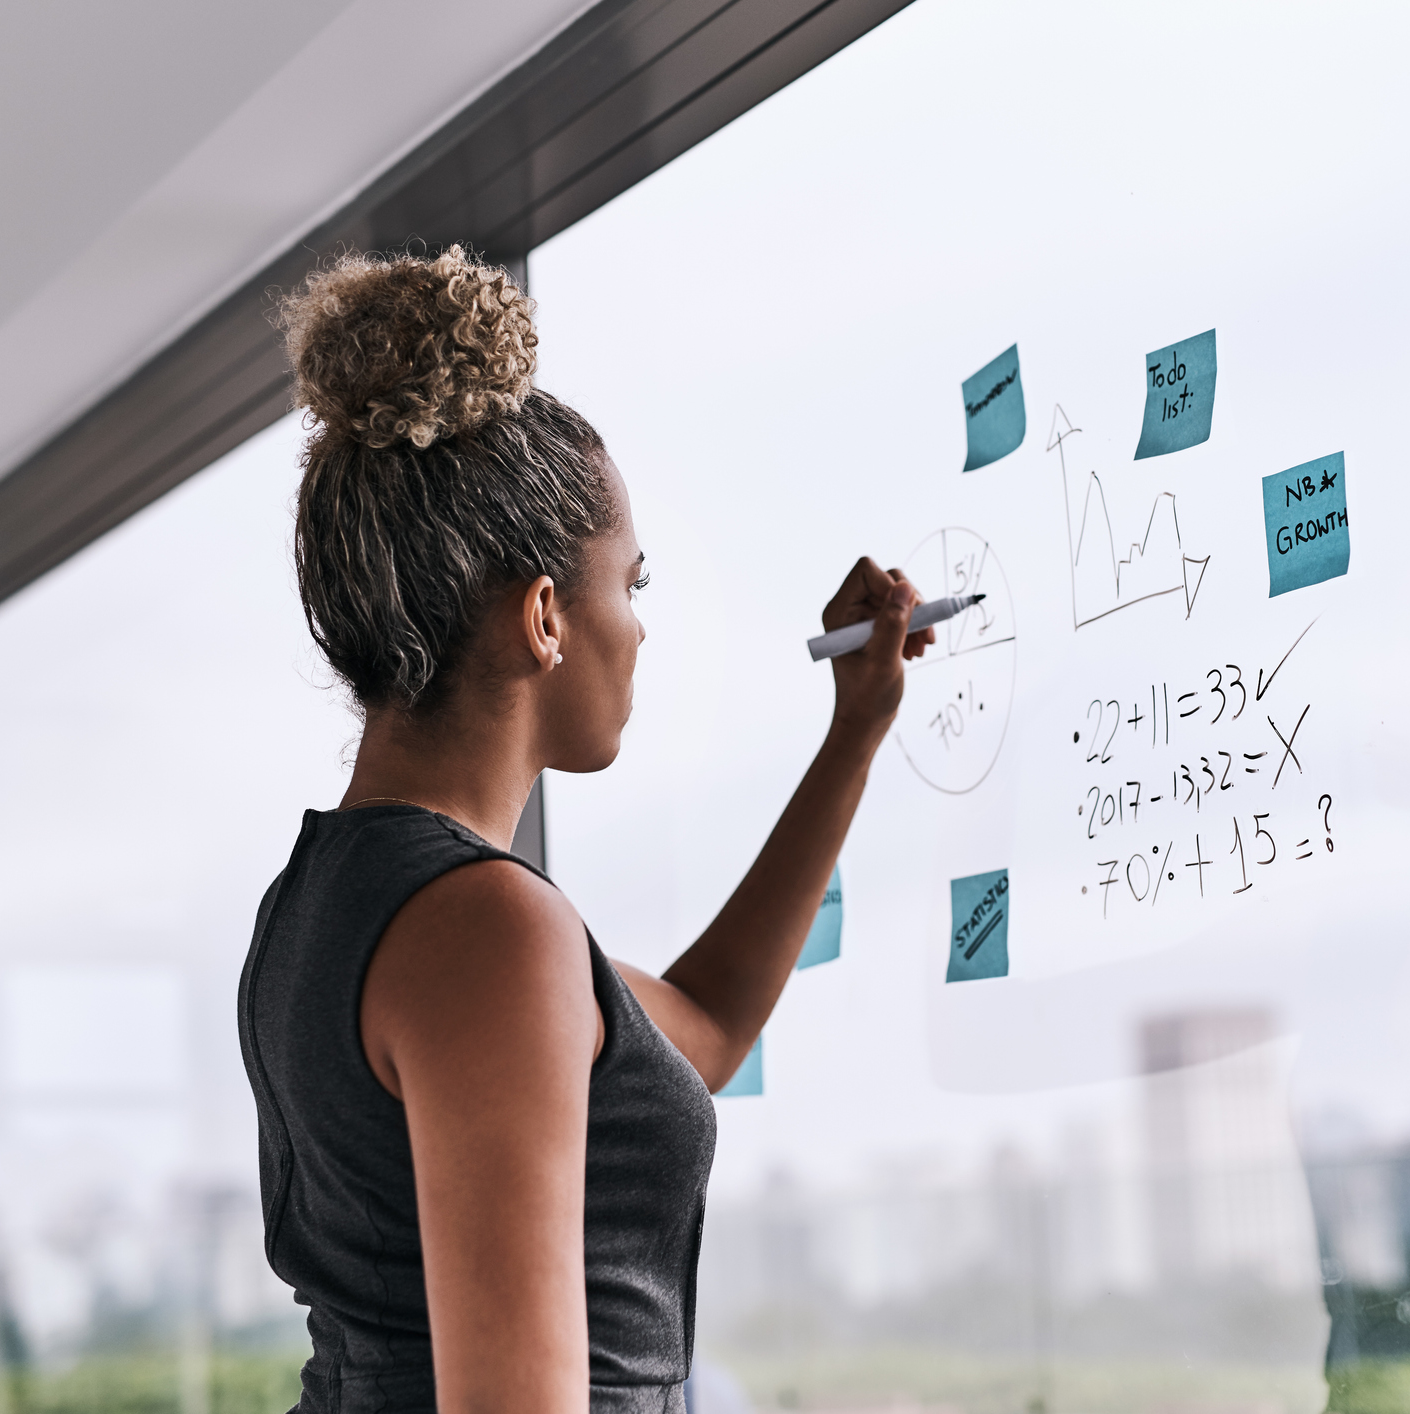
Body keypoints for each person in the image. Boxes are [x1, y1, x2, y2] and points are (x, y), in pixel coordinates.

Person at [237, 245, 931, 1413]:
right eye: (633, 584)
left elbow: (700, 1030)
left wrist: (852, 734)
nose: (641, 630)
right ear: (546, 616)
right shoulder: (486, 928)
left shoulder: (331, 899)